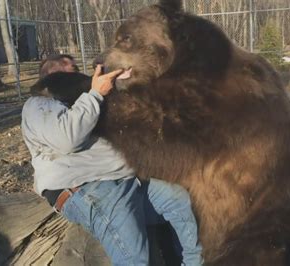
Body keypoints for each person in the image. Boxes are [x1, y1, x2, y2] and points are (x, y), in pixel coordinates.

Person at [21, 55, 203, 265]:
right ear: (46, 78)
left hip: (128, 181)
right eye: (62, 70)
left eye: (74, 67)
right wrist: (96, 93)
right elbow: (67, 138)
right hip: (90, 188)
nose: (74, 73)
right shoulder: (38, 105)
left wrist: (126, 78)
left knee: (179, 200)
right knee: (134, 258)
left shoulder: (87, 99)